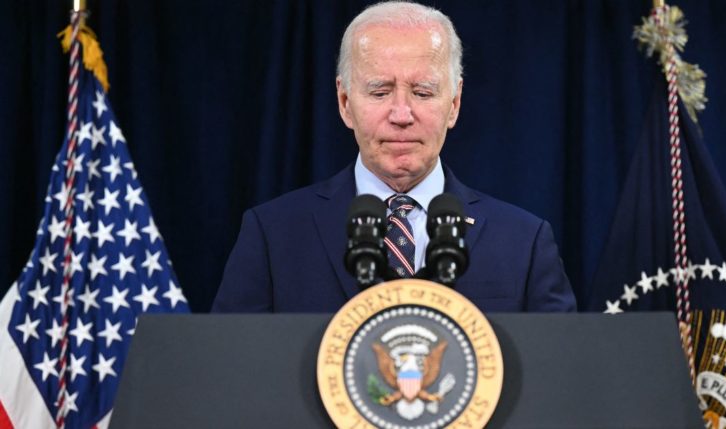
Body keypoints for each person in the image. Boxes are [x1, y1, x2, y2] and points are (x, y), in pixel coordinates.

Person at [212, 1, 576, 313]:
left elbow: (558, 374)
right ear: (344, 103)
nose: (402, 114)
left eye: (422, 92)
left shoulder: (524, 242)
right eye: (380, 91)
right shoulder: (272, 234)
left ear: (455, 104)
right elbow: (232, 372)